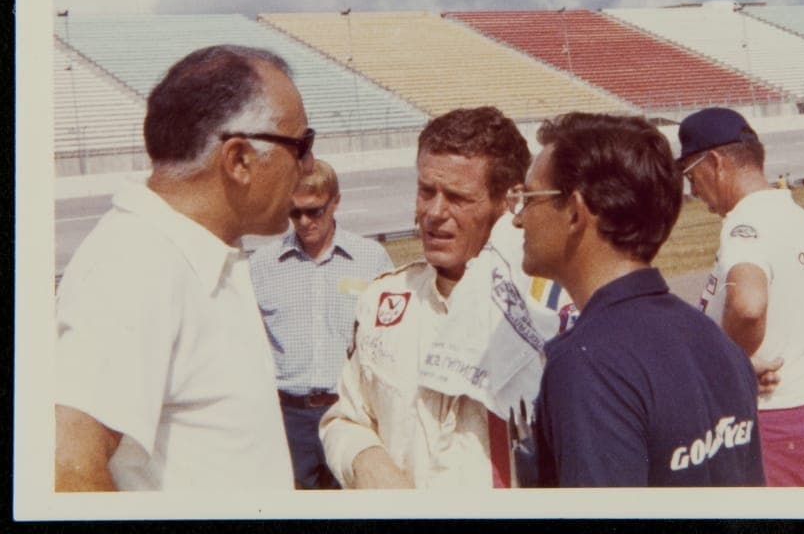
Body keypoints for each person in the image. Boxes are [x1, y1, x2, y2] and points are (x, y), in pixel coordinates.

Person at [54, 45, 315, 491]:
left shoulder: (197, 252)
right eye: (302, 146)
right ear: (239, 160)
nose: (309, 167)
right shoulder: (135, 265)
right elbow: (66, 469)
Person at [320, 106, 571, 489]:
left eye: (457, 197)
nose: (434, 213)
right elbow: (345, 419)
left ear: (509, 202)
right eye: (426, 191)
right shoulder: (384, 300)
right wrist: (364, 459)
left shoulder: (551, 309)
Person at [515, 112, 766, 487]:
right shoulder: (713, 340)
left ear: (574, 212)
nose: (518, 218)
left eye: (529, 197)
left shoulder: (588, 364)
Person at [678, 107, 804, 487]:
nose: (692, 190)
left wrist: (733, 368)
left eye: (691, 176)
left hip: (772, 422)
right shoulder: (793, 213)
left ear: (715, 163)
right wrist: (801, 343)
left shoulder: (745, 224)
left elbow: (747, 306)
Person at [250, 158, 395, 489]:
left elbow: (390, 339)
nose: (304, 222)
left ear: (335, 202)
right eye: (294, 213)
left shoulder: (371, 259)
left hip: (349, 413)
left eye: (315, 211)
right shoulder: (261, 267)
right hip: (287, 418)